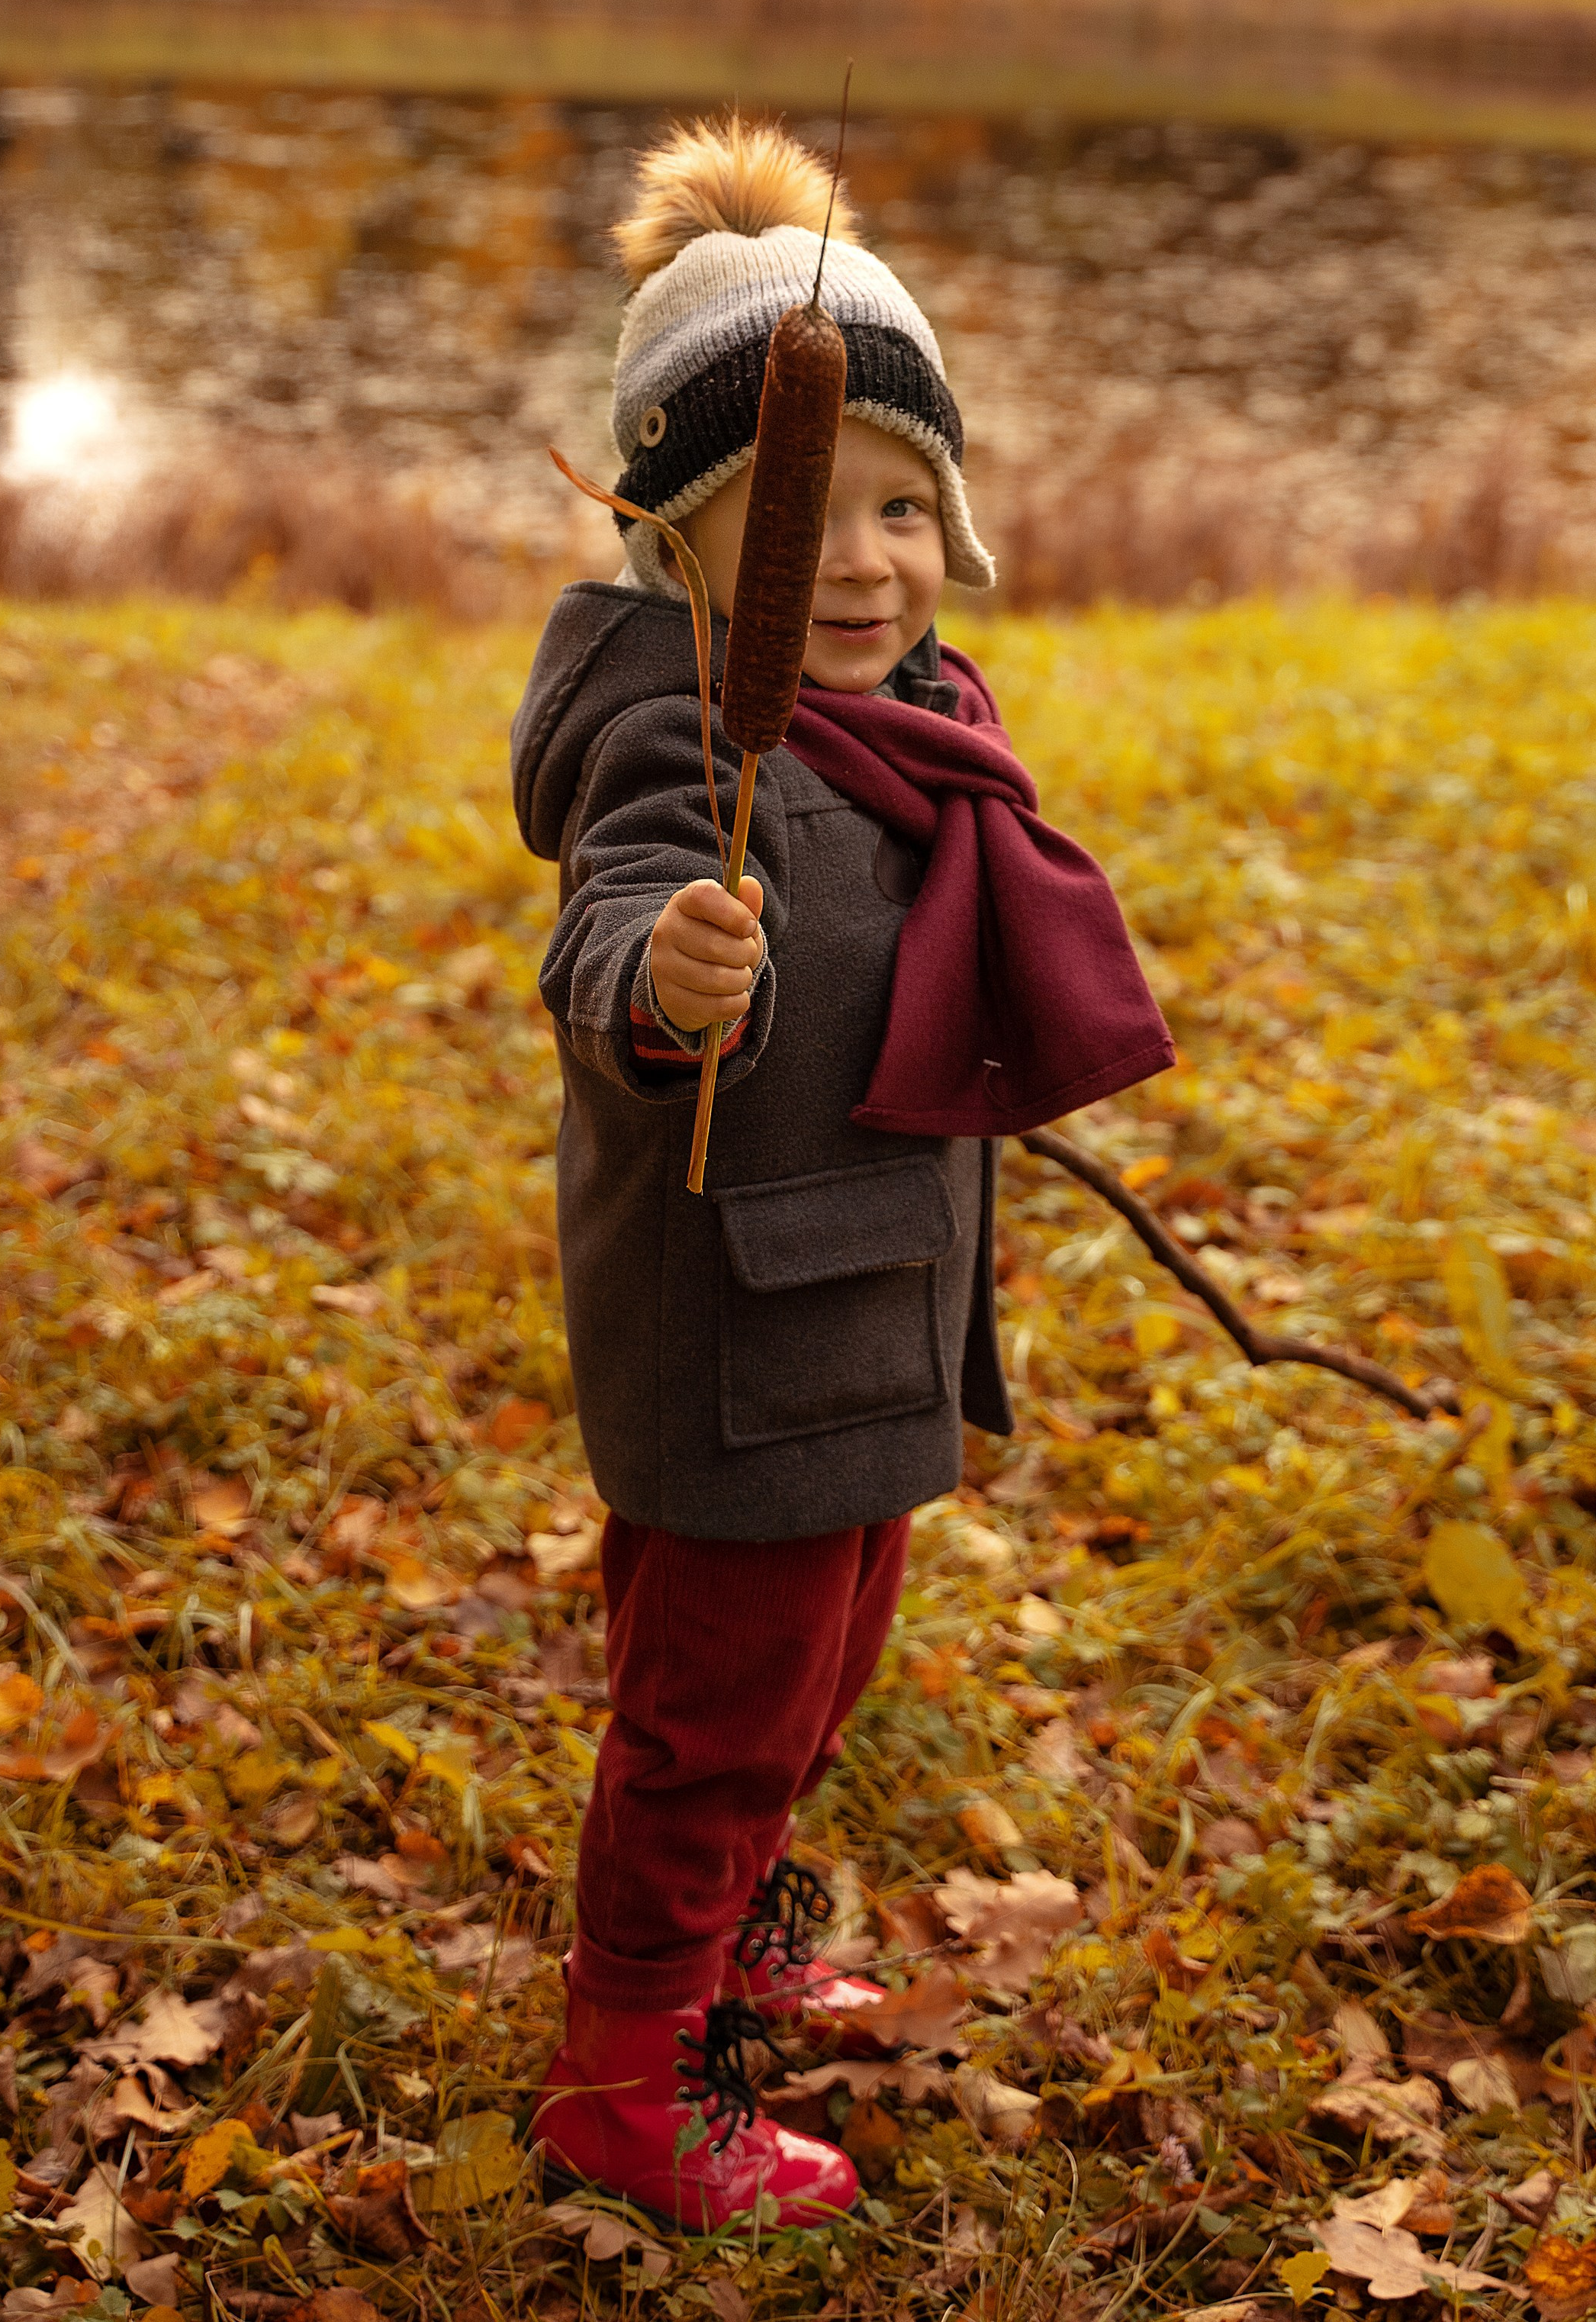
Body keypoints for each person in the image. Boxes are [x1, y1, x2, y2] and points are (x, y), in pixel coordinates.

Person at [510, 114, 1173, 2228]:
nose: (869, 561)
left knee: (818, 1656)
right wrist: (666, 979)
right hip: (746, 1329)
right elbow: (606, 919)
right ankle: (630, 2068)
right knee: (713, 1699)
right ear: (684, 547)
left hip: (869, 1302)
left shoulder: (921, 714)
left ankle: (743, 1927)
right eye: (815, 519)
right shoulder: (677, 736)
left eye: (911, 508)